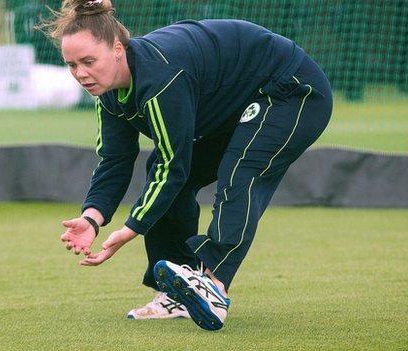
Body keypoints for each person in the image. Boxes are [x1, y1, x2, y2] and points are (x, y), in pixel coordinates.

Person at [45, 0, 333, 330]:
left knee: (239, 173)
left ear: (117, 49)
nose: (81, 74)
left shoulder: (160, 80)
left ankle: (214, 286)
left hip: (291, 89)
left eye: (88, 61)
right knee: (165, 180)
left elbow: (173, 163)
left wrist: (131, 228)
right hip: (230, 106)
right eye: (71, 65)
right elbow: (115, 159)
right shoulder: (109, 94)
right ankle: (178, 294)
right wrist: (92, 218)